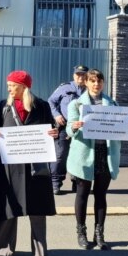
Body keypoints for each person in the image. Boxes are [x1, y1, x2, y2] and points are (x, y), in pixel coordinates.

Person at [0, 70, 58, 256]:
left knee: (37, 210)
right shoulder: (4, 106)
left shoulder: (41, 106)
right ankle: (3, 249)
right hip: (10, 167)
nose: (9, 88)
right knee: (9, 208)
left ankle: (40, 254)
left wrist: (54, 132)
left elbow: (52, 131)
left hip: (36, 167)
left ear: (24, 87)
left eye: (12, 85)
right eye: (8, 85)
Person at [66, 69, 128, 250]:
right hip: (84, 155)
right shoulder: (76, 104)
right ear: (86, 82)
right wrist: (74, 126)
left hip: (105, 155)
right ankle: (81, 233)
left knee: (101, 195)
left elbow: (120, 129)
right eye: (92, 81)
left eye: (99, 81)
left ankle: (99, 234)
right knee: (82, 194)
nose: (96, 84)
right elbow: (68, 129)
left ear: (103, 83)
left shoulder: (112, 104)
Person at [48, 65, 88, 195]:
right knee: (61, 155)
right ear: (74, 75)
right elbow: (51, 101)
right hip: (64, 127)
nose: (80, 77)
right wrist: (56, 115)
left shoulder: (90, 90)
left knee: (80, 156)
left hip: (83, 129)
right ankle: (55, 183)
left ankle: (77, 183)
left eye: (83, 74)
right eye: (78, 74)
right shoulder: (64, 88)